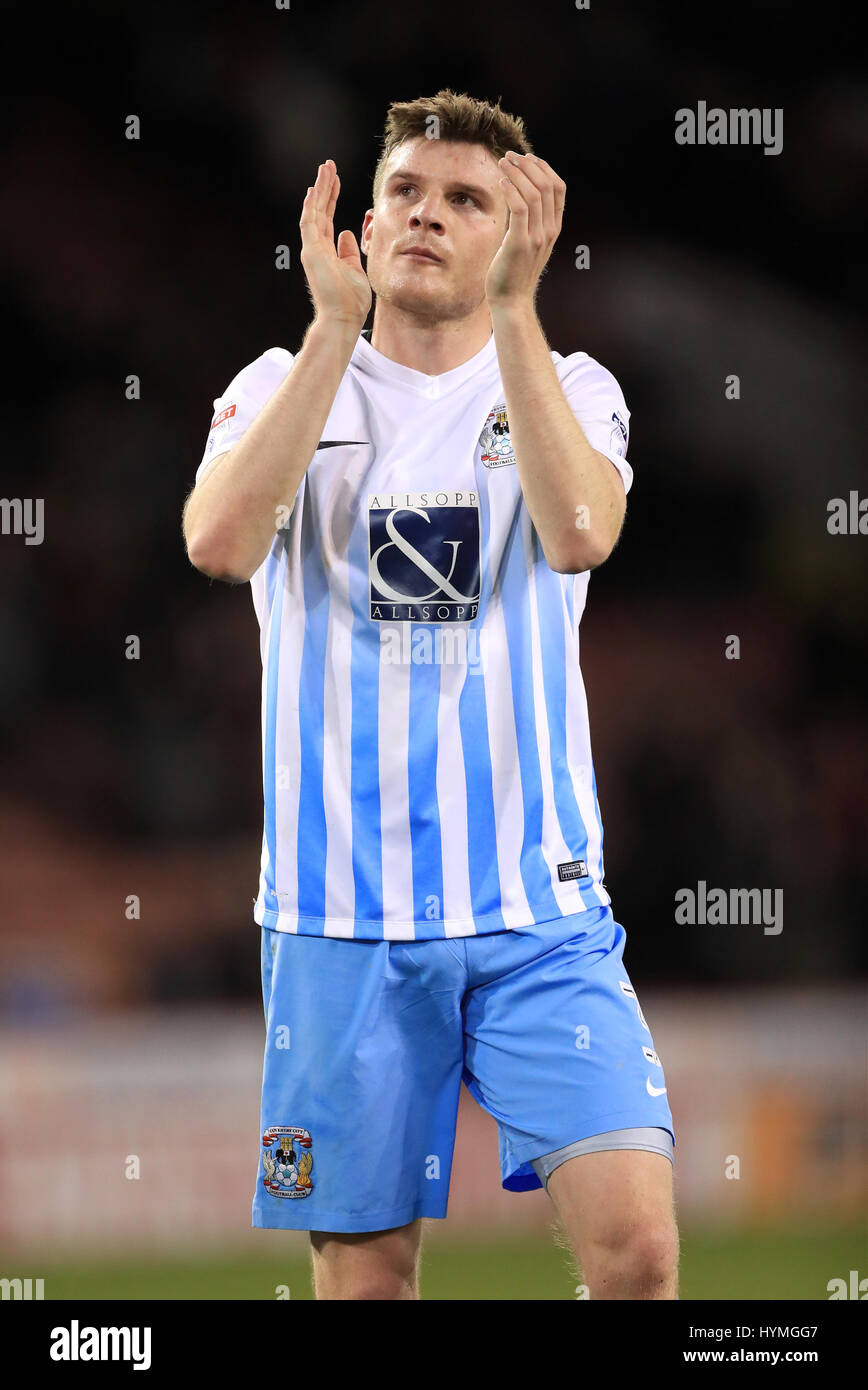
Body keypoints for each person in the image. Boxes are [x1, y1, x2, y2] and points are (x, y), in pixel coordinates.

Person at [183, 89, 678, 1300]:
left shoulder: (573, 384)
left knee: (639, 1259)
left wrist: (516, 310)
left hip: (535, 912)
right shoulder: (275, 382)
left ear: (511, 229)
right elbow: (219, 542)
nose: (426, 215)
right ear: (363, 217)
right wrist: (327, 336)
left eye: (466, 200)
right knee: (367, 1288)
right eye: (404, 191)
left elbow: (577, 533)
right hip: (338, 917)